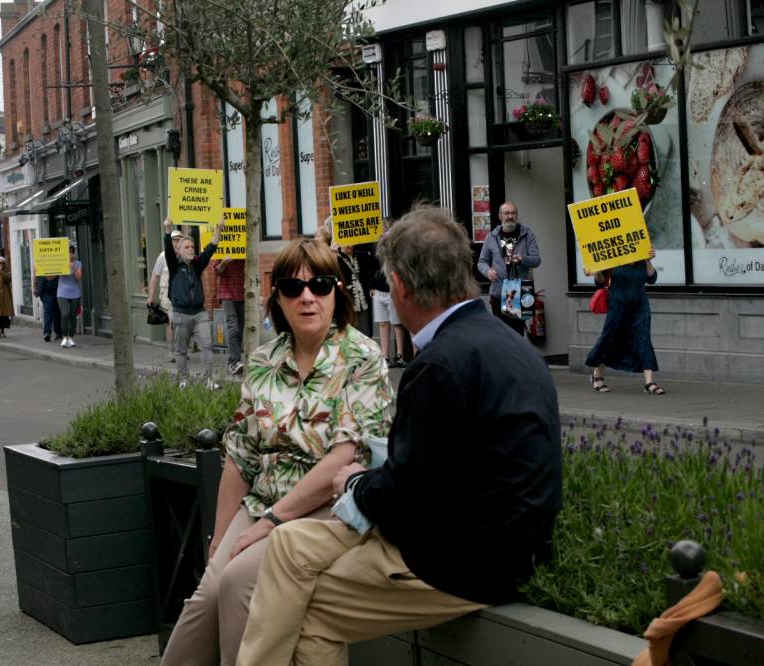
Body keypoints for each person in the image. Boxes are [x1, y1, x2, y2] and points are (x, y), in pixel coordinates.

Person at [236, 206, 562, 666]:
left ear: (402, 288)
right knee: (290, 545)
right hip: (484, 536)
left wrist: (352, 481)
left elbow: (405, 495)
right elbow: (433, 473)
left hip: (466, 562)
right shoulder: (511, 344)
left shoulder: (437, 366)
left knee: (310, 612)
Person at [161, 238, 393, 666]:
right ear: (278, 299)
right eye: (292, 288)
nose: (307, 297)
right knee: (208, 592)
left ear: (337, 292)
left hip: (328, 510)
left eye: (320, 285)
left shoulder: (362, 357)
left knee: (238, 584)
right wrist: (218, 540)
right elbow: (241, 456)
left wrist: (272, 522)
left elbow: (345, 456)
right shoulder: (263, 362)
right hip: (262, 502)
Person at [585, 248, 664, 395]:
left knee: (644, 340)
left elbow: (652, 279)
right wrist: (597, 271)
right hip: (618, 305)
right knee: (610, 339)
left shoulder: (640, 256)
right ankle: (597, 375)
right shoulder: (612, 256)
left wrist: (648, 261)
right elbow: (600, 283)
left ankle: (649, 382)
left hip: (640, 306)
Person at [163, 218, 222, 388]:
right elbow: (168, 251)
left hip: (199, 314)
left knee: (207, 345)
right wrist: (168, 231)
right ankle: (183, 380)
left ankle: (207, 380)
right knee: (181, 350)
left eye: (192, 247)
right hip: (181, 314)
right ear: (179, 251)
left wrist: (217, 231)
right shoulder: (174, 265)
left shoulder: (197, 265)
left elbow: (210, 250)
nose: (191, 250)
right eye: (187, 247)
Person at [477, 201, 541, 336]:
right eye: (507, 213)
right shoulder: (491, 237)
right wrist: (487, 271)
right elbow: (482, 262)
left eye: (513, 213)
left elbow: (536, 260)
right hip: (498, 294)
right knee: (501, 335)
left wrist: (523, 259)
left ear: (517, 215)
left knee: (517, 334)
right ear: (500, 216)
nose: (510, 216)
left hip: (519, 293)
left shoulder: (527, 234)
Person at [148, 229, 184, 362]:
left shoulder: (185, 255)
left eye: (179, 241)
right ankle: (171, 352)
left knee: (183, 324)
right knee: (170, 323)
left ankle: (182, 349)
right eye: (174, 241)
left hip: (182, 295)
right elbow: (154, 276)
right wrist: (150, 296)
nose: (177, 243)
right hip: (167, 296)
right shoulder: (163, 257)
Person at [371, 262, 408, 368]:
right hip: (378, 291)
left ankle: (400, 355)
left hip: (392, 290)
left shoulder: (394, 251)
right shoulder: (375, 250)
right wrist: (372, 285)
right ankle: (385, 355)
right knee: (382, 323)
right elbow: (372, 268)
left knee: (397, 323)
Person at [212, 256, 245, 375]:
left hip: (243, 293)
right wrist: (224, 262)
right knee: (233, 327)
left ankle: (235, 362)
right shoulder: (223, 248)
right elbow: (215, 271)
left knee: (240, 329)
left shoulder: (244, 247)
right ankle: (234, 362)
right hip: (227, 294)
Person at [57, 244, 83, 348]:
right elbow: (52, 275)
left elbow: (78, 278)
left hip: (74, 292)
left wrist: (74, 268)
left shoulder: (78, 263)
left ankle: (71, 337)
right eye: (66, 253)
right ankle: (64, 337)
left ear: (73, 254)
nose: (69, 255)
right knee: (65, 314)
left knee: (72, 315)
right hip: (62, 292)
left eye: (70, 253)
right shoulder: (60, 263)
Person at [33, 271, 62, 342]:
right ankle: (47, 333)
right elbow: (38, 277)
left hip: (58, 288)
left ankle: (58, 332)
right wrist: (37, 290)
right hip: (47, 292)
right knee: (49, 311)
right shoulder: (42, 263)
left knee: (57, 311)